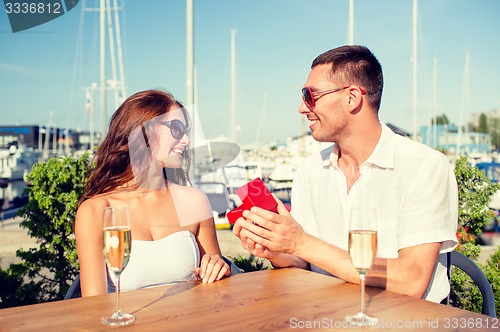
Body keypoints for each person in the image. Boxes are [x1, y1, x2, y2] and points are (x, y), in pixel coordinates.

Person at [233, 45, 458, 303]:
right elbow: (303, 262)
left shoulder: (425, 166)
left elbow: (410, 280)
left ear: (352, 97)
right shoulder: (309, 171)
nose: (301, 108)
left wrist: (300, 243)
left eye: (310, 95)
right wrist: (276, 248)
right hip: (327, 315)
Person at [75, 89, 230, 297]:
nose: (185, 140)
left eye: (186, 130)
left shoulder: (194, 201)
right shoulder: (96, 211)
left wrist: (219, 268)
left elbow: (216, 285)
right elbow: (94, 307)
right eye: (176, 128)